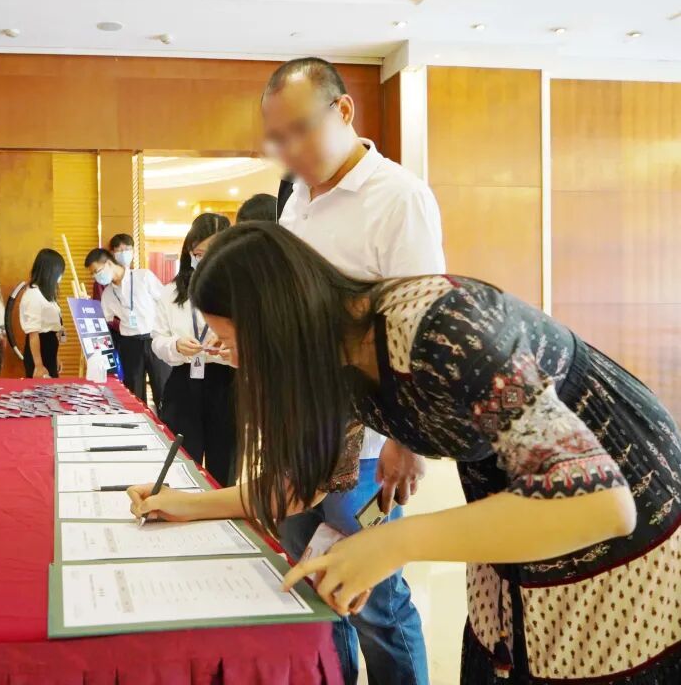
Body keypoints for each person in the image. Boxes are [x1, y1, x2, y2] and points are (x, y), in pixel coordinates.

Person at [129, 222, 680, 684]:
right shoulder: (336, 357)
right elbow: (306, 484)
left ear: (278, 322)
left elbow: (600, 504)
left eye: (234, 342)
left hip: (621, 502)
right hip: (516, 506)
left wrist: (393, 543)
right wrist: (188, 503)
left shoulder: (442, 324)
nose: (233, 358)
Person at [265, 56, 439, 684]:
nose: (289, 150)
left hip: (364, 447)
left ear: (343, 111)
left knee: (377, 604)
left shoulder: (398, 198)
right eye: (278, 138)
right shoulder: (297, 201)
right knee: (314, 589)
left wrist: (407, 438)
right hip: (301, 437)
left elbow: (420, 328)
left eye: (300, 131)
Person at [152, 213, 237, 486]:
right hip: (183, 383)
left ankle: (220, 509)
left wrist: (235, 350)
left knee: (225, 463)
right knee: (182, 462)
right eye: (199, 253)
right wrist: (175, 345)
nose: (205, 260)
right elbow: (157, 340)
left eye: (213, 252)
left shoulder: (239, 290)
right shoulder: (171, 292)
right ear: (189, 253)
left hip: (226, 384)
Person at [85, 247, 166, 408]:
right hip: (130, 344)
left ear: (109, 263)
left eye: (96, 271)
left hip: (155, 339)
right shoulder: (108, 294)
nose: (96, 277)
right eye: (93, 274)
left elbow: (165, 302)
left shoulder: (143, 277)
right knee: (134, 393)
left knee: (163, 388)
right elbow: (102, 321)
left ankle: (166, 423)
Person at [21, 248, 66, 378]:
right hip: (39, 350)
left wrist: (56, 356)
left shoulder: (48, 294)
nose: (60, 276)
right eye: (59, 273)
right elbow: (33, 334)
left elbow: (54, 328)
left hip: (50, 348)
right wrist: (38, 365)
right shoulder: (33, 295)